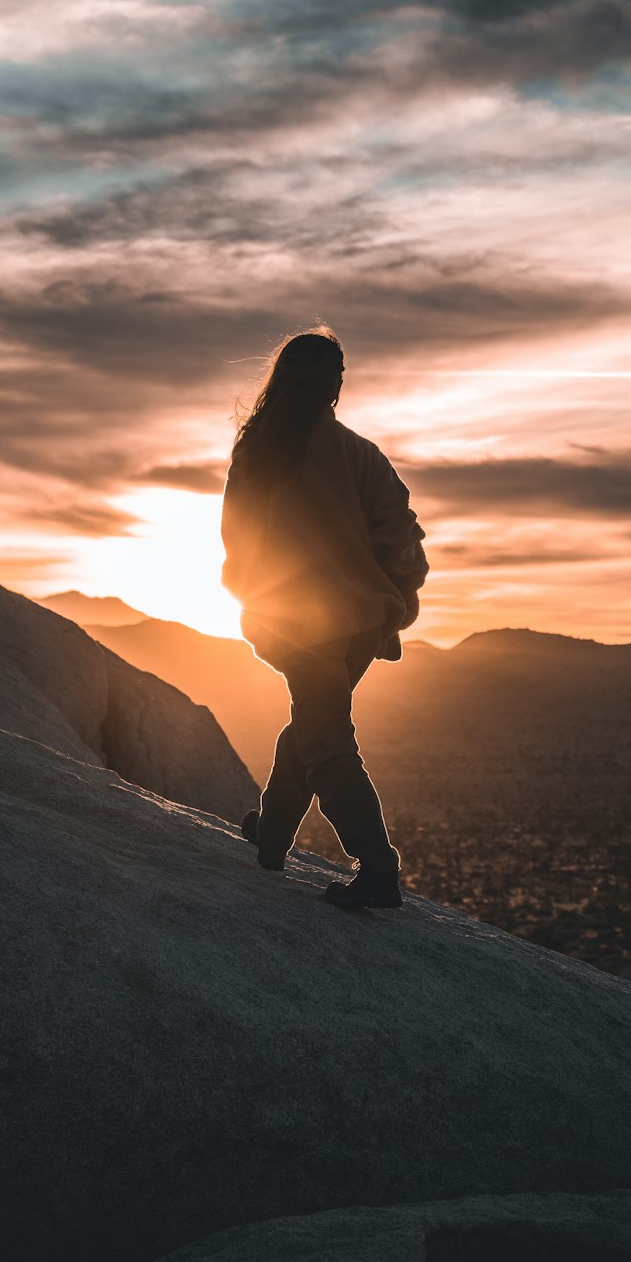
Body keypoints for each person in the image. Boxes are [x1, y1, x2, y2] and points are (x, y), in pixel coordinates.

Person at [221, 327, 428, 909]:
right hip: (360, 622)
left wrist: (254, 602)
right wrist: (396, 602)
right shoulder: (361, 454)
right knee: (316, 727)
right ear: (334, 385)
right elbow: (402, 538)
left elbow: (238, 548)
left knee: (325, 734)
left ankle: (378, 868)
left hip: (298, 625)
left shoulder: (257, 453)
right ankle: (272, 835)